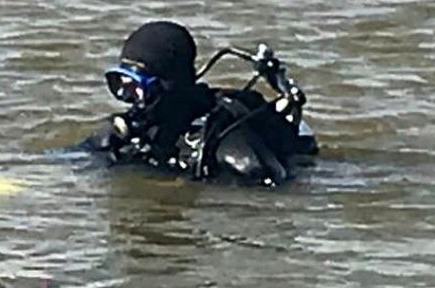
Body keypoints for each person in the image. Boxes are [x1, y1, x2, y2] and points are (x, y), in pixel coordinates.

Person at [79, 20, 317, 186]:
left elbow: (273, 185)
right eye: (120, 85)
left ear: (169, 85)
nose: (130, 99)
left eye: (139, 88)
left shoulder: (232, 149)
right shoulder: (128, 134)